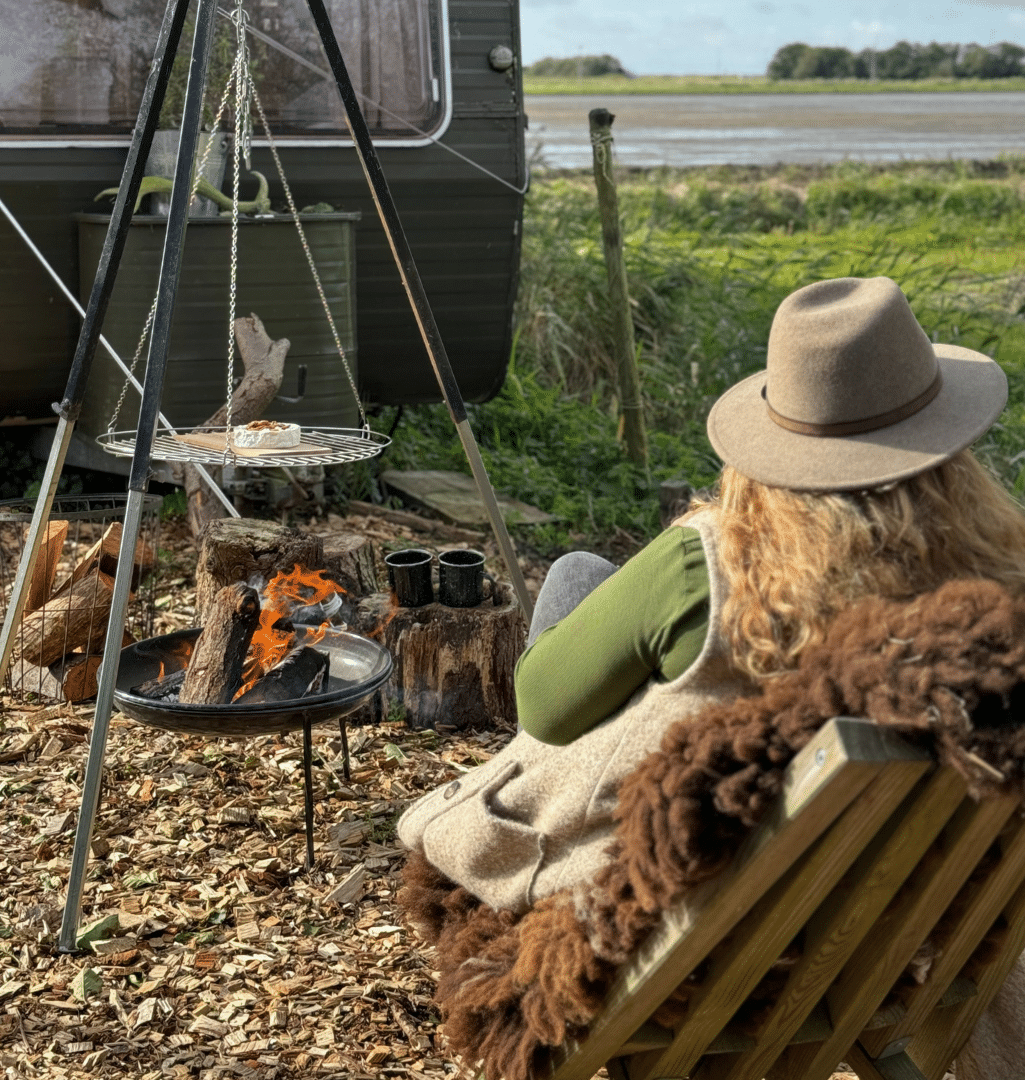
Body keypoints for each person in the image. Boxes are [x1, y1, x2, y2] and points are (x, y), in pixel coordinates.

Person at [397, 276, 1025, 1077]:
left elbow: (544, 709)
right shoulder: (995, 615)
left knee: (579, 578)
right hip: (895, 934)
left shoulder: (715, 561)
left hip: (704, 933)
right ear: (951, 443)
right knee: (593, 582)